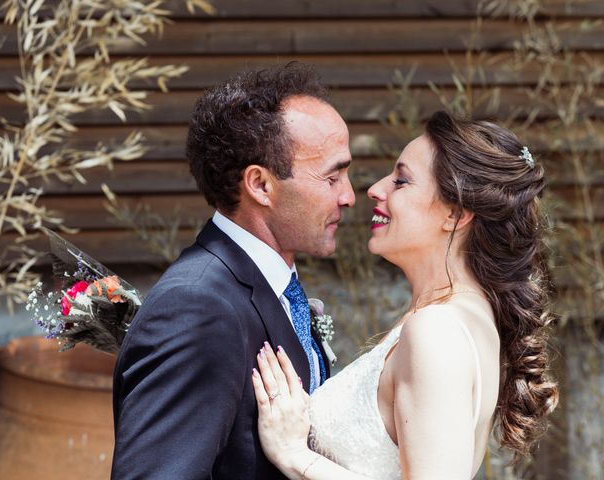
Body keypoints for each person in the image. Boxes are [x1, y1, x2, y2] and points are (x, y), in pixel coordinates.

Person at [252, 111, 559, 479]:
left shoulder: (437, 330)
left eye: (401, 181)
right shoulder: (454, 316)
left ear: (455, 214)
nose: (375, 189)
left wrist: (294, 455)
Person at [110, 63, 355, 479]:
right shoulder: (196, 308)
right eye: (331, 177)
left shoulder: (271, 288)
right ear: (260, 185)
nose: (349, 196)